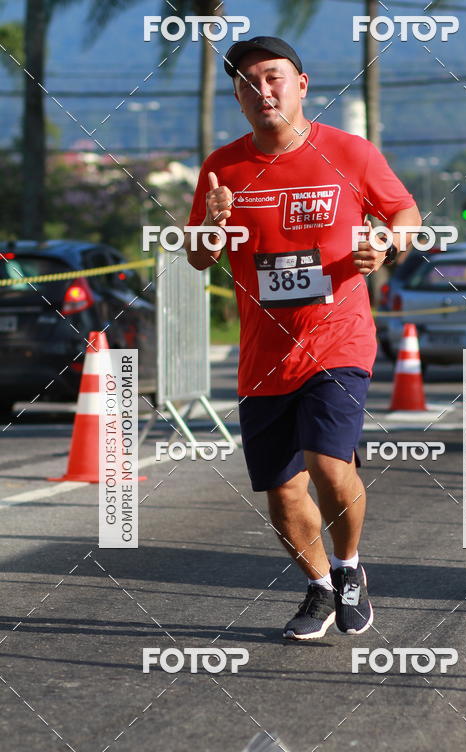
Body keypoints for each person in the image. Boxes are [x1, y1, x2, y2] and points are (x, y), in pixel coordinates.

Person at [185, 36, 421, 639]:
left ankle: (348, 568)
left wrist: (385, 245)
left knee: (325, 461)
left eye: (273, 78)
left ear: (302, 84)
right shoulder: (222, 166)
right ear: (237, 97)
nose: (262, 90)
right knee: (282, 489)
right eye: (247, 83)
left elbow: (405, 215)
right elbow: (195, 256)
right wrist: (211, 227)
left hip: (338, 339)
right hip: (264, 356)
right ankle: (319, 587)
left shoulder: (350, 152)